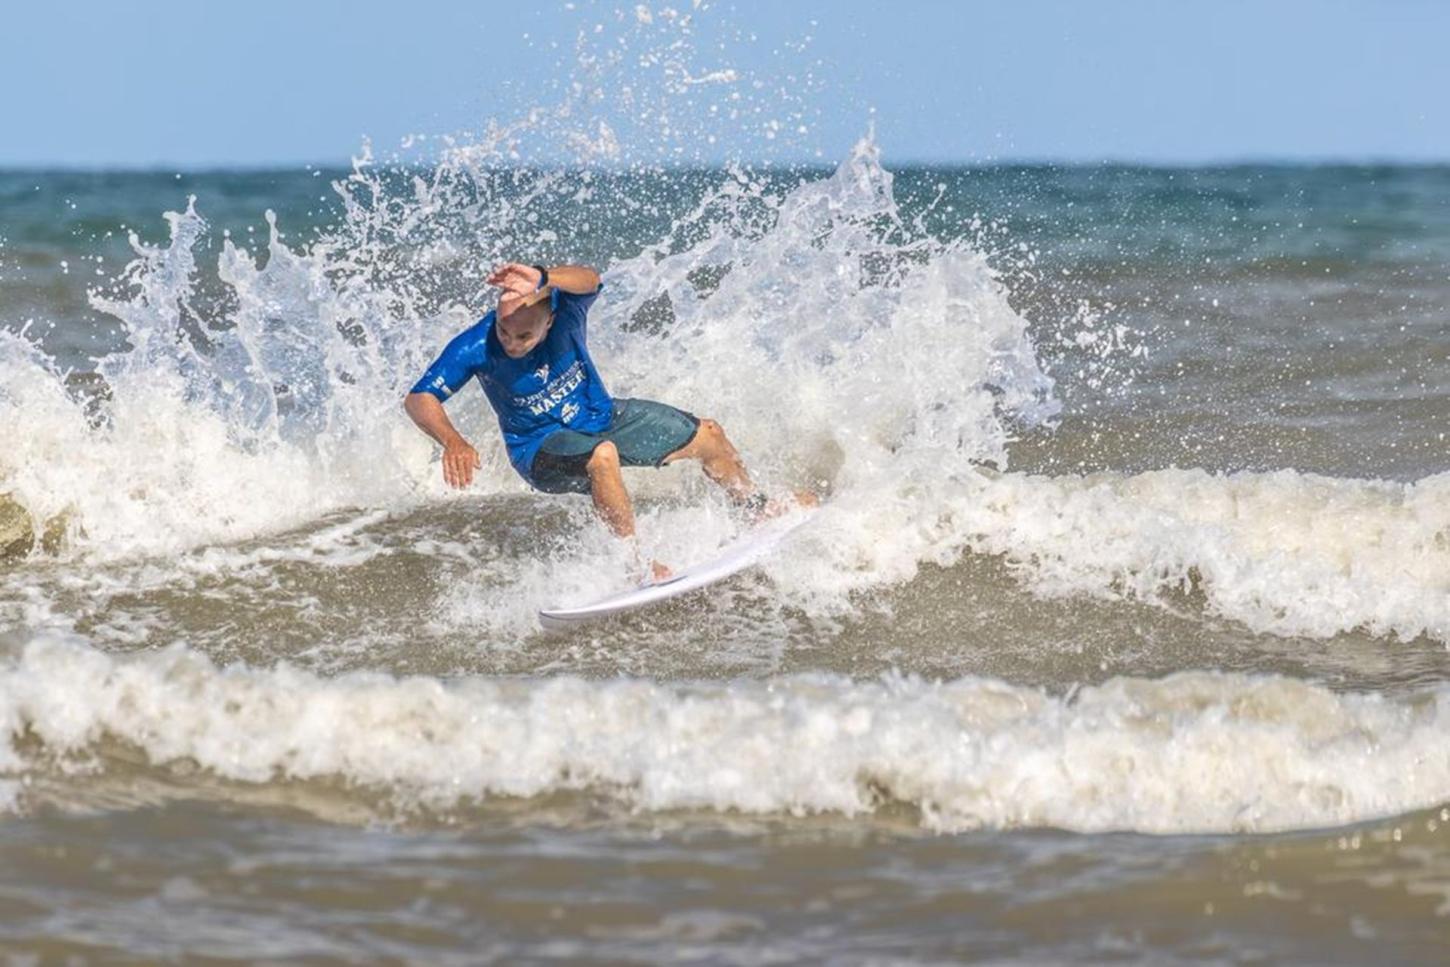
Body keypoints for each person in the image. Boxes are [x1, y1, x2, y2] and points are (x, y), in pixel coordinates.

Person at [404, 262, 811, 580]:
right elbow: (419, 398)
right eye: (504, 331)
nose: (510, 343)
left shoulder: (566, 312)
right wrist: (452, 440)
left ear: (549, 321)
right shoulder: (476, 345)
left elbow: (589, 278)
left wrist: (545, 276)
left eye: (523, 337)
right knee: (603, 455)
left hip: (603, 417)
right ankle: (632, 564)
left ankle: (753, 507)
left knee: (709, 435)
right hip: (539, 450)